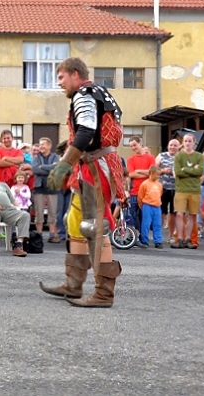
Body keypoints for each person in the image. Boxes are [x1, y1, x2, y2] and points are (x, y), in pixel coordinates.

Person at [40, 57, 125, 308]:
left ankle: (103, 294)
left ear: (75, 74)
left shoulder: (84, 93)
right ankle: (74, 284)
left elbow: (87, 132)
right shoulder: (99, 93)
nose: (59, 83)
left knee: (94, 228)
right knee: (76, 222)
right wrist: (70, 147)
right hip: (93, 164)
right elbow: (95, 131)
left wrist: (64, 163)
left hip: (96, 167)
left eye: (61, 77)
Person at [172, 134, 204, 249]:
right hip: (181, 189)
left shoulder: (199, 156)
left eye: (190, 141)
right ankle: (180, 238)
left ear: (194, 142)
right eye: (185, 141)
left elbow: (200, 172)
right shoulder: (179, 156)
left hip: (194, 189)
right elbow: (177, 172)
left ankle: (188, 239)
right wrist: (191, 170)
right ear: (183, 142)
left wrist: (184, 169)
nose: (187, 143)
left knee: (193, 215)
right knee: (179, 214)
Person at [32, 137, 61, 241]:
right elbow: (35, 170)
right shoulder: (36, 157)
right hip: (39, 187)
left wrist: (42, 167)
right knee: (39, 212)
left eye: (43, 144)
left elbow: (56, 169)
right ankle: (39, 234)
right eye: (40, 145)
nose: (41, 147)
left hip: (52, 187)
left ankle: (52, 234)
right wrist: (48, 168)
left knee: (52, 212)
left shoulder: (55, 156)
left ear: (49, 146)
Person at [127, 136, 156, 235]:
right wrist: (146, 173)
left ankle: (144, 237)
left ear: (140, 143)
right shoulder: (131, 159)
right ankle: (137, 234)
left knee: (145, 216)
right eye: (131, 146)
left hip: (147, 192)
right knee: (132, 215)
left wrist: (138, 171)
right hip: (135, 191)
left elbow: (153, 173)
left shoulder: (150, 157)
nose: (133, 148)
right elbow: (130, 174)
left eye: (135, 145)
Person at [156, 139, 179, 244]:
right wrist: (163, 171)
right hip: (162, 188)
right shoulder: (161, 156)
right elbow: (153, 170)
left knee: (173, 213)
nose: (172, 147)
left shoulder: (180, 157)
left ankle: (171, 236)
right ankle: (158, 236)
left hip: (176, 188)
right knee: (161, 212)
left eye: (175, 145)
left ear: (178, 147)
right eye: (171, 145)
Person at [137, 166, 163, 248]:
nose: (158, 176)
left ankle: (158, 241)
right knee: (146, 223)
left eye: (159, 175)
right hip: (147, 205)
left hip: (157, 206)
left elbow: (160, 194)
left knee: (157, 224)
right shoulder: (145, 184)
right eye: (157, 175)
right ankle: (144, 240)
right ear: (151, 173)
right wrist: (141, 204)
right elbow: (140, 196)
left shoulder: (159, 184)